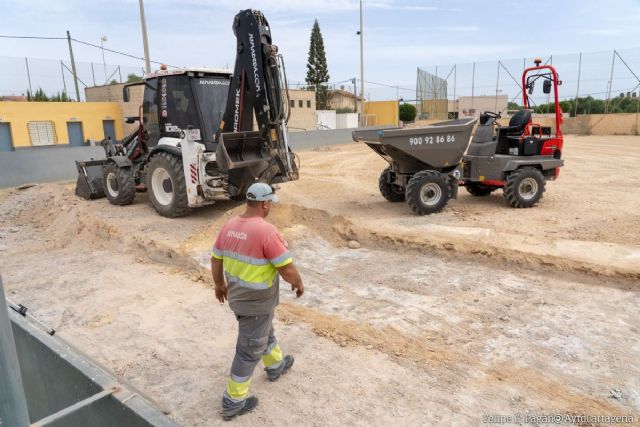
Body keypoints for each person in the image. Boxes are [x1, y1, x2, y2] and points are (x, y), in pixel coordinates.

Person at [211, 182, 305, 421]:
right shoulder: (266, 231)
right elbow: (287, 268)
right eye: (270, 204)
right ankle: (233, 401)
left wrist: (219, 284)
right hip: (256, 304)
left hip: (239, 299)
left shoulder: (229, 226)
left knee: (265, 333)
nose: (270, 207)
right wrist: (298, 283)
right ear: (265, 204)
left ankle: (275, 366)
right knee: (249, 350)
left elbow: (216, 258)